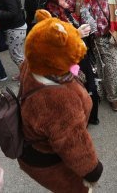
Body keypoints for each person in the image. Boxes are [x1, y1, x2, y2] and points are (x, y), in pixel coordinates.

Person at [18, 10, 103, 192]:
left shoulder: (34, 60)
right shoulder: (58, 100)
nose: (80, 47)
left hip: (33, 147)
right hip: (50, 161)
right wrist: (92, 170)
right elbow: (71, 142)